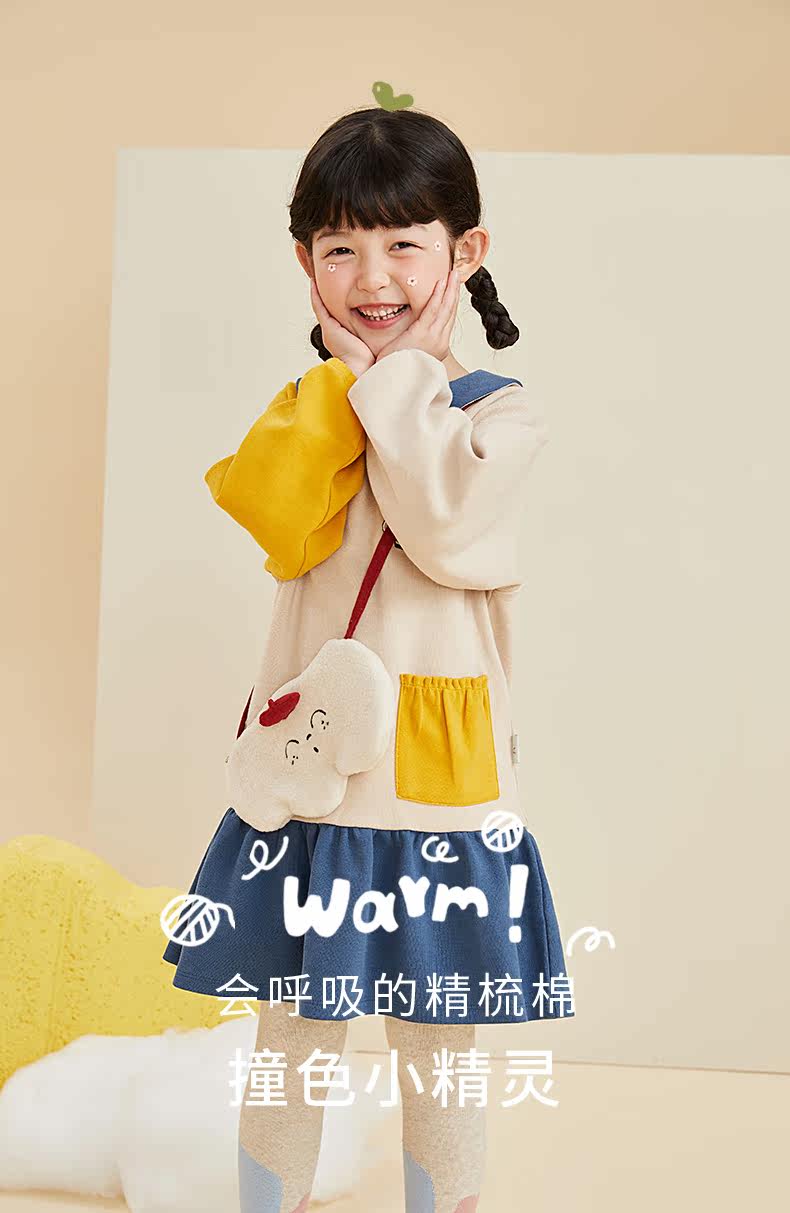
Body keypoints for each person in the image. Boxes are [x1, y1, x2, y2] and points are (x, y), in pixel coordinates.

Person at [163, 105, 573, 1213]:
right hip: (310, 777)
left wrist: (399, 378)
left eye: (403, 243)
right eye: (340, 247)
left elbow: (444, 522)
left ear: (464, 251)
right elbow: (278, 520)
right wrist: (345, 391)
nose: (372, 275)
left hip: (435, 784)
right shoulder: (314, 407)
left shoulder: (501, 415)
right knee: (291, 1033)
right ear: (306, 263)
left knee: (438, 1038)